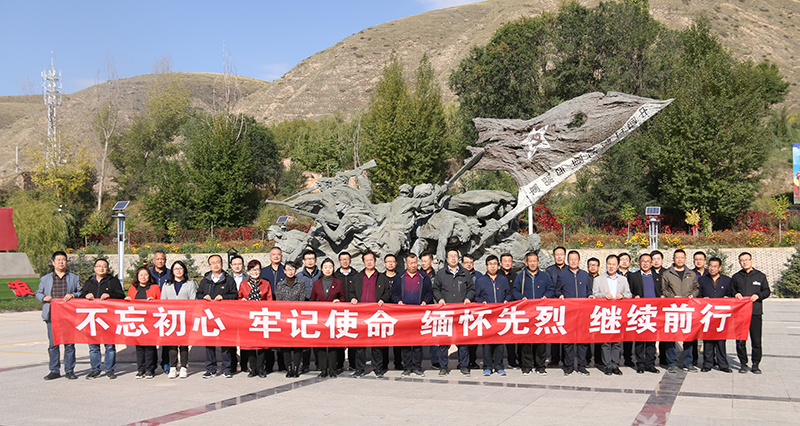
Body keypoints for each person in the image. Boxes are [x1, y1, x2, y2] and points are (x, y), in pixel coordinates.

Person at [35, 251, 81, 380]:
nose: (61, 262)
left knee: (69, 344)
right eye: (58, 260)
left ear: (66, 262)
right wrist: (44, 298)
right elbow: (38, 293)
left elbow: (80, 292)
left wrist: (72, 295)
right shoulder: (45, 279)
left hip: (68, 316)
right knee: (53, 344)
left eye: (63, 260)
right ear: (53, 262)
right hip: (52, 315)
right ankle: (54, 370)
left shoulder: (74, 278)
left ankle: (69, 370)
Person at [347, 251, 392, 378]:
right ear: (363, 262)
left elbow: (388, 292)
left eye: (371, 260)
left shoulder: (381, 278)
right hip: (360, 315)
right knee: (360, 344)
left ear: (375, 261)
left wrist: (383, 299)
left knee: (376, 344)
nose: (369, 262)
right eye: (366, 260)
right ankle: (359, 369)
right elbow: (351, 292)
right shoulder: (357, 277)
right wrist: (353, 298)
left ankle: (378, 368)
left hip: (376, 315)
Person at [80, 258, 125, 379]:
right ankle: (95, 369)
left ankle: (109, 369)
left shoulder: (113, 281)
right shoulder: (89, 282)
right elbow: (80, 297)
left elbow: (121, 295)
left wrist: (110, 295)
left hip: (108, 318)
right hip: (92, 318)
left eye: (104, 266)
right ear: (94, 268)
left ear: (107, 268)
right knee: (93, 347)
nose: (101, 268)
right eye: (99, 266)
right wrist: (86, 296)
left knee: (109, 346)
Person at [512, 251, 553, 376]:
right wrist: (521, 297)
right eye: (530, 261)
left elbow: (551, 289)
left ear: (538, 262)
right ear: (526, 262)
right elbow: (515, 290)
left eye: (535, 261)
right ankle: (526, 365)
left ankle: (540, 365)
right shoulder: (521, 276)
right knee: (526, 341)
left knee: (541, 340)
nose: (533, 263)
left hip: (541, 313)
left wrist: (546, 296)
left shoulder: (545, 276)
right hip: (526, 313)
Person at [197, 254, 239, 379]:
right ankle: (211, 369)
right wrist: (203, 297)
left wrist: (224, 297)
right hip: (209, 316)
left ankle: (226, 368)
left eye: (218, 262)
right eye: (213, 263)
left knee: (226, 343)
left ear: (222, 264)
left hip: (224, 316)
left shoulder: (228, 280)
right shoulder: (205, 281)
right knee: (209, 344)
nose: (216, 265)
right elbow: (198, 295)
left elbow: (234, 295)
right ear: (209, 266)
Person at [433, 249, 474, 376]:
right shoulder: (441, 273)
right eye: (451, 256)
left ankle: (464, 366)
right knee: (444, 341)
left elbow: (471, 289)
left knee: (463, 341)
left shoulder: (465, 273)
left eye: (455, 256)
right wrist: (439, 299)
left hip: (461, 313)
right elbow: (435, 289)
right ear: (446, 259)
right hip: (446, 313)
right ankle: (443, 366)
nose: (453, 258)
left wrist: (468, 298)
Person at [392, 253, 433, 377]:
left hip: (419, 314)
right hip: (404, 315)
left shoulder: (424, 277)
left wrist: (425, 301)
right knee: (405, 342)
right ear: (406, 264)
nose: (413, 265)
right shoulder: (399, 278)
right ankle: (407, 367)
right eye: (411, 263)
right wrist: (398, 301)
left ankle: (417, 367)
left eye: (415, 263)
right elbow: (394, 293)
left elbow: (429, 292)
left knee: (417, 342)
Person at [591, 255, 632, 376]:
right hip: (605, 313)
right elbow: (594, 294)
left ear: (618, 265)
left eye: (614, 264)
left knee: (617, 342)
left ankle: (615, 365)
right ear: (606, 265)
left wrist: (622, 295)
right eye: (609, 264)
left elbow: (629, 294)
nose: (611, 266)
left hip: (618, 314)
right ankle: (607, 365)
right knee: (605, 342)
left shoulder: (623, 279)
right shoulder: (598, 279)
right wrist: (604, 295)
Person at [661, 249, 700, 373]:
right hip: (672, 308)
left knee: (688, 336)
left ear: (685, 259)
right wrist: (673, 297)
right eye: (677, 257)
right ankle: (671, 363)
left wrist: (693, 295)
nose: (679, 259)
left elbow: (696, 288)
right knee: (670, 336)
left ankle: (688, 362)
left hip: (688, 309)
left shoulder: (691, 274)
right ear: (673, 259)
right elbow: (663, 290)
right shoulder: (667, 274)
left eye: (682, 257)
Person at [732, 252, 770, 374]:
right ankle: (743, 364)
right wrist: (735, 294)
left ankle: (755, 364)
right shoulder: (736, 277)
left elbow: (767, 291)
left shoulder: (760, 276)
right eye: (742, 260)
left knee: (756, 340)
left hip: (755, 313)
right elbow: (731, 290)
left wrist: (758, 296)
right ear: (739, 262)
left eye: (747, 260)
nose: (744, 262)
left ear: (751, 260)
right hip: (740, 313)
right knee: (740, 340)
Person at [556, 250, 593, 376]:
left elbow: (588, 290)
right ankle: (569, 366)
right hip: (569, 313)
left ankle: (582, 365)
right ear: (567, 261)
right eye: (571, 259)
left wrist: (590, 296)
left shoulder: (584, 275)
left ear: (579, 261)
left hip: (583, 313)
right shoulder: (562, 275)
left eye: (575, 259)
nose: (573, 261)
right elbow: (557, 290)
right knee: (568, 341)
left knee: (583, 341)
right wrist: (560, 295)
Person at [160, 260, 197, 379]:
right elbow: (163, 301)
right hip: (170, 318)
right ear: (172, 271)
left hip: (185, 318)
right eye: (176, 269)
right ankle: (172, 367)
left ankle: (184, 367)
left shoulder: (190, 284)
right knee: (172, 344)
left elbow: (193, 301)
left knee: (183, 344)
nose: (178, 271)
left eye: (180, 268)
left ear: (184, 270)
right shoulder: (167, 284)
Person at [475, 255, 510, 376]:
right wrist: (482, 302)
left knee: (500, 342)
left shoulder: (503, 280)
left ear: (498, 265)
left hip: (500, 315)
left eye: (495, 264)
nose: (493, 266)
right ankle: (488, 366)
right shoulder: (481, 281)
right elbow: (476, 296)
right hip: (487, 316)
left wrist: (506, 300)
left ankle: (499, 366)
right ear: (486, 266)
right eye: (490, 264)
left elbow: (509, 293)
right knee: (487, 342)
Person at [628, 253, 663, 374]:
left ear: (651, 263)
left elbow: (660, 291)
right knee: (639, 340)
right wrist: (634, 296)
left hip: (653, 312)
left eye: (648, 261)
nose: (645, 264)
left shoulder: (657, 276)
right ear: (639, 263)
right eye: (643, 261)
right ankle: (640, 364)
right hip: (639, 312)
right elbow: (629, 292)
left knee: (651, 340)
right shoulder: (633, 276)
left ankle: (650, 364)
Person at [238, 259, 274, 378]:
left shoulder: (265, 283)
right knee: (250, 345)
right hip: (248, 318)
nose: (255, 272)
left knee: (262, 345)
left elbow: (269, 300)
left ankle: (261, 368)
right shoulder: (244, 284)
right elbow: (239, 298)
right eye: (252, 269)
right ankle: (252, 368)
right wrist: (242, 301)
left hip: (262, 317)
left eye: (257, 269)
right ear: (248, 271)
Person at [310, 258, 345, 378]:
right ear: (321, 269)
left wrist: (339, 301)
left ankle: (332, 369)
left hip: (333, 318)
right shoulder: (316, 283)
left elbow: (343, 298)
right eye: (325, 267)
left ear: (333, 268)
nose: (328, 269)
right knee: (321, 345)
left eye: (330, 267)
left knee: (332, 344)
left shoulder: (338, 282)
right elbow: (312, 300)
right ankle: (323, 369)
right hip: (320, 318)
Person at [698, 257, 733, 373]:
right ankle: (707, 364)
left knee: (721, 341)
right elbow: (698, 294)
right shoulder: (702, 280)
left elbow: (732, 294)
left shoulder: (727, 280)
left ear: (720, 268)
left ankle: (723, 364)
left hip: (721, 315)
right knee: (707, 340)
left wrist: (728, 298)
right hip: (708, 314)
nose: (712, 268)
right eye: (710, 266)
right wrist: (703, 299)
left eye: (715, 266)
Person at [127, 266, 162, 379]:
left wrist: (153, 302)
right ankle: (140, 369)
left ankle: (149, 369)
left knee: (149, 346)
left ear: (149, 276)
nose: (143, 277)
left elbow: (161, 303)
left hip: (150, 321)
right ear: (137, 277)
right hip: (137, 321)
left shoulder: (155, 288)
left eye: (146, 274)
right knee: (139, 347)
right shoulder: (132, 289)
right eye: (141, 275)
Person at [273, 261, 307, 378]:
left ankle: (296, 366)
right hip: (285, 318)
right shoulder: (280, 285)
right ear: (284, 271)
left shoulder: (300, 284)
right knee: (285, 344)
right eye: (288, 269)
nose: (290, 271)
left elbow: (302, 300)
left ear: (295, 270)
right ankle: (288, 367)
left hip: (297, 318)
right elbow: (278, 301)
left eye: (292, 269)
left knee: (298, 345)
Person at [259, 246, 287, 374]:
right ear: (270, 256)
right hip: (267, 309)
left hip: (282, 309)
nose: (276, 256)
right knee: (268, 337)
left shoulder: (285, 270)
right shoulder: (263, 272)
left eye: (278, 254)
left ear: (281, 256)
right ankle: (268, 365)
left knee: (281, 337)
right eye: (274, 254)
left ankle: (282, 365)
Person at [380, 254, 405, 371]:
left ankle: (398, 362)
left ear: (396, 263)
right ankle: (384, 363)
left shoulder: (401, 277)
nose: (390, 264)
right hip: (383, 312)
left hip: (397, 312)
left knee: (398, 338)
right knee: (383, 338)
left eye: (392, 261)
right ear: (384, 264)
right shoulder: (380, 277)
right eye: (388, 261)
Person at [335, 251, 358, 374]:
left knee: (352, 338)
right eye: (342, 259)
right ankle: (339, 364)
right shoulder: (335, 276)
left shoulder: (356, 275)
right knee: (339, 337)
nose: (345, 261)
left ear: (350, 260)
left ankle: (353, 364)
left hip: (353, 311)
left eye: (347, 259)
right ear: (339, 261)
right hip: (339, 312)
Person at [150, 250, 171, 374]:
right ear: (153, 260)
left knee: (166, 339)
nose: (160, 261)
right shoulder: (148, 273)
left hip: (166, 310)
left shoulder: (170, 273)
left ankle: (166, 363)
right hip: (151, 312)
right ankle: (151, 365)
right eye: (157, 259)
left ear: (165, 260)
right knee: (151, 339)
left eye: (162, 259)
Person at [419, 251, 442, 370]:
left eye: (426, 261)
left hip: (435, 308)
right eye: (422, 261)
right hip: (420, 309)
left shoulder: (438, 276)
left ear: (432, 262)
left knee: (435, 336)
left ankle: (436, 360)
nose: (423, 263)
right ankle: (418, 362)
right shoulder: (417, 276)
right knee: (419, 336)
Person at [546, 246, 567, 368]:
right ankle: (554, 358)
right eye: (557, 255)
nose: (559, 257)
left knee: (565, 332)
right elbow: (548, 287)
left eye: (561, 254)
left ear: (565, 256)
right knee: (554, 332)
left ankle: (566, 359)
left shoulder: (569, 270)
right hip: (553, 304)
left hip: (567, 306)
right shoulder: (549, 271)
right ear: (554, 257)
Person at [462, 254, 483, 369]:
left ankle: (473, 360)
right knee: (462, 337)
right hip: (461, 311)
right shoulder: (459, 275)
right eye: (466, 262)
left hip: (475, 310)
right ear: (462, 264)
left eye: (471, 262)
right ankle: (463, 362)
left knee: (474, 337)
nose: (469, 265)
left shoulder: (478, 276)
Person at [499, 253, 520, 369]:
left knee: (511, 337)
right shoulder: (496, 275)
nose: (507, 263)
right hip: (498, 311)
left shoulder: (516, 276)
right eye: (505, 261)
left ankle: (512, 360)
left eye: (509, 261)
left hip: (512, 310)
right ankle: (497, 361)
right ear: (500, 263)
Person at [651, 250, 670, 366]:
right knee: (652, 332)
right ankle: (651, 357)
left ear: (662, 260)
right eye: (654, 259)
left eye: (658, 259)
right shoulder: (648, 273)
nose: (656, 261)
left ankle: (664, 357)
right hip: (652, 308)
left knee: (664, 333)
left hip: (665, 308)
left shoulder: (667, 273)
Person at [617, 253, 635, 368]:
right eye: (622, 259)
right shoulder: (613, 275)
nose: (624, 261)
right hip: (616, 310)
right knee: (616, 335)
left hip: (629, 309)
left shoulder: (634, 276)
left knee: (628, 335)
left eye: (626, 260)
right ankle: (616, 358)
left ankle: (628, 358)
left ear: (630, 262)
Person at [586, 257, 603, 368]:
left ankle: (599, 359)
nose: (593, 267)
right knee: (587, 336)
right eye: (591, 265)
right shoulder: (584, 278)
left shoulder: (602, 279)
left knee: (599, 336)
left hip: (599, 310)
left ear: (598, 267)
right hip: (586, 311)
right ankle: (586, 359)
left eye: (595, 265)